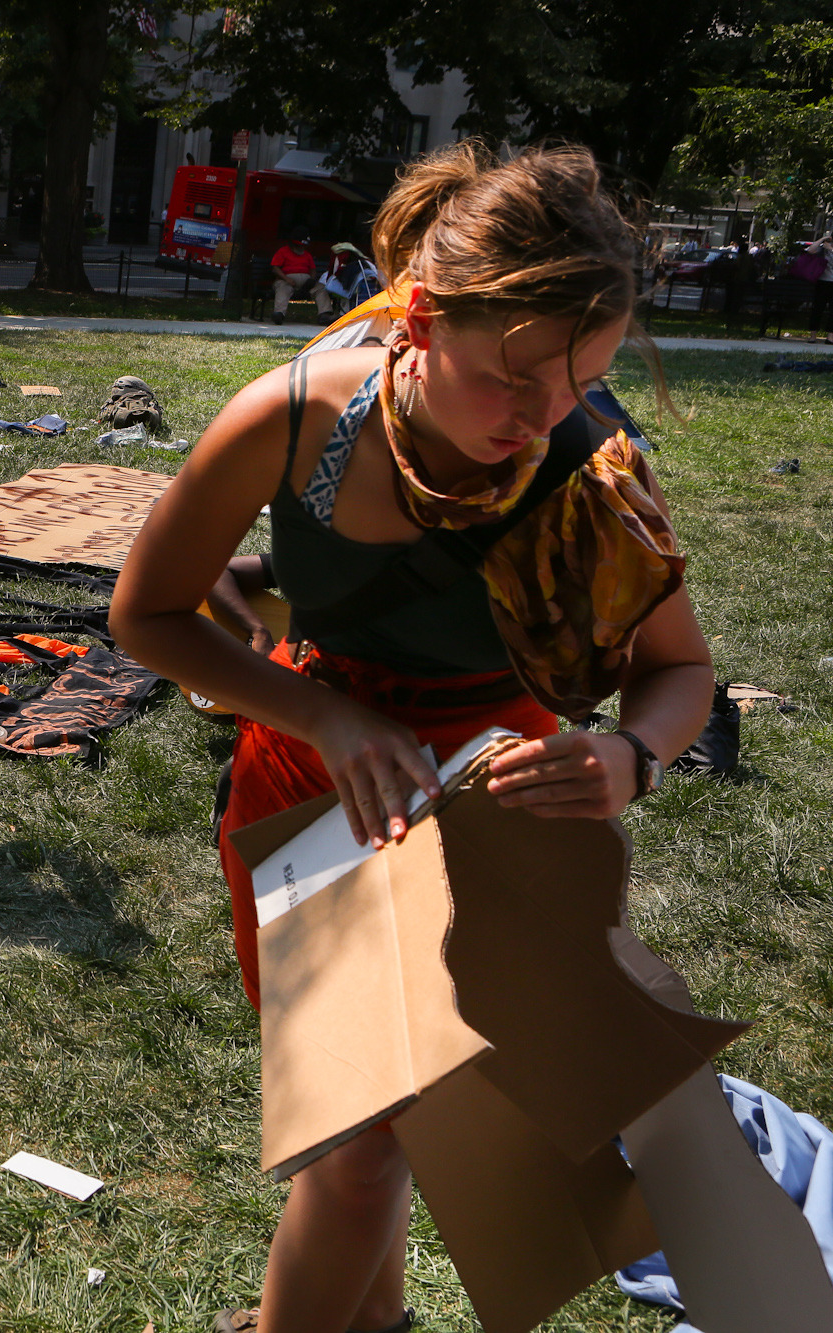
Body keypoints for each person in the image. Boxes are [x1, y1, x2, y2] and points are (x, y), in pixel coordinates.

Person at [109, 142, 713, 1333]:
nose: (541, 417)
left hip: (495, 808)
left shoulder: (584, 455)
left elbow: (679, 671)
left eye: (582, 380)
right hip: (311, 786)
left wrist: (628, 757)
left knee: (381, 1139)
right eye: (511, 379)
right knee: (361, 1142)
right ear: (423, 321)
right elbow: (146, 614)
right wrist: (323, 712)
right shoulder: (293, 416)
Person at [269, 233, 329, 324]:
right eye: (299, 245)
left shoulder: (307, 255)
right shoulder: (283, 251)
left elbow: (312, 269)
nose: (301, 248)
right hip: (287, 281)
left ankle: (325, 314)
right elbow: (275, 268)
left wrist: (311, 280)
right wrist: (286, 279)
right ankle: (279, 313)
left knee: (321, 288)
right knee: (282, 288)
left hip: (306, 284)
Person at [320, 242, 380, 315]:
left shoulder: (341, 259)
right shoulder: (366, 262)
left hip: (350, 290)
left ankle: (340, 314)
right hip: (369, 291)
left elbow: (334, 273)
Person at [805, 234, 833, 342]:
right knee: (817, 309)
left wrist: (831, 249)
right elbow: (810, 250)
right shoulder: (823, 249)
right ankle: (813, 335)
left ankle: (830, 336)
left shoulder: (829, 249)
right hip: (822, 281)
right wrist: (822, 239)